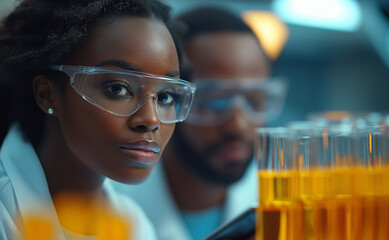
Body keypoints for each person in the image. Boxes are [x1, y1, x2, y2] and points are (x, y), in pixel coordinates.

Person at [0, 0, 196, 239]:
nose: (150, 119)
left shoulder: (136, 226)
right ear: (47, 94)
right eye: (118, 89)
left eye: (166, 96)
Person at [113, 7, 287, 240]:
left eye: (255, 101)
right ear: (167, 100)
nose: (238, 125)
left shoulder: (281, 201)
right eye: (214, 102)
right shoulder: (110, 205)